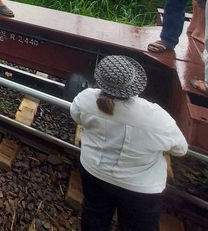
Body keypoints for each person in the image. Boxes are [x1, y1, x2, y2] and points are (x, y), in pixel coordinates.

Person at [71, 55, 188, 231]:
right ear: (134, 85)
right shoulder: (156, 117)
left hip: (94, 171)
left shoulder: (86, 99)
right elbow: (180, 149)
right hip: (140, 188)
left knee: (94, 216)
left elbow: (76, 116)